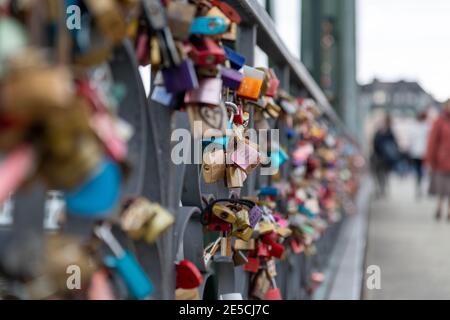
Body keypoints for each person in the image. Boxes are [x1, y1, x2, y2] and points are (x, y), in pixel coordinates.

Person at [426, 100, 450, 220]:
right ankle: (439, 208)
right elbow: (432, 142)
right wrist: (429, 160)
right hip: (441, 160)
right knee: (441, 187)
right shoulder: (439, 121)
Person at [372, 114, 400, 197]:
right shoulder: (381, 132)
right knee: (379, 174)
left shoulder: (389, 132)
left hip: (385, 158)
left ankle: (382, 189)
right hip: (379, 156)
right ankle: (382, 189)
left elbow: (394, 144)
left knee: (383, 174)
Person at [408, 111, 430, 197]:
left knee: (420, 171)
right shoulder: (422, 127)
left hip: (422, 153)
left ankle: (419, 186)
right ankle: (418, 186)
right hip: (417, 153)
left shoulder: (425, 127)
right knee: (418, 171)